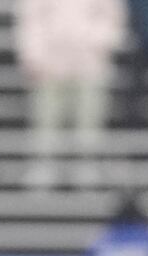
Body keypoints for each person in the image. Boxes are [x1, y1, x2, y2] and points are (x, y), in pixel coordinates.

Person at [14, 0, 126, 188]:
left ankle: (86, 167)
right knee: (46, 120)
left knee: (89, 121)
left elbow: (113, 17)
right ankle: (44, 167)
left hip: (90, 63)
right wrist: (34, 55)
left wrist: (93, 41)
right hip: (50, 63)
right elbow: (30, 18)